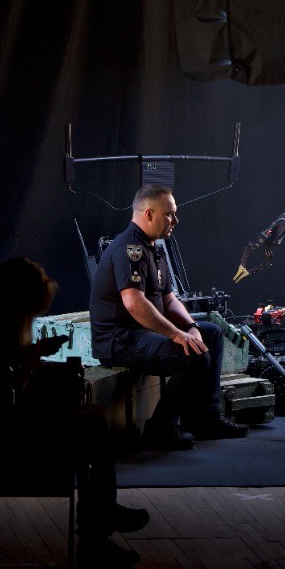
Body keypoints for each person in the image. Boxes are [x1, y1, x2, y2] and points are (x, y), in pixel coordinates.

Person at [0, 256, 148, 569]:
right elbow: (9, 392)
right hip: (3, 438)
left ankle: (100, 523)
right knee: (93, 428)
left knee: (91, 423)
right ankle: (98, 529)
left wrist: (32, 356)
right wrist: (33, 358)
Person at [88, 184, 248, 450]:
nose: (176, 220)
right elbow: (135, 304)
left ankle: (205, 419)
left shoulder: (154, 248)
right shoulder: (129, 249)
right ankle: (161, 429)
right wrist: (176, 334)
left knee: (211, 334)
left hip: (143, 335)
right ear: (149, 214)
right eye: (170, 214)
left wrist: (191, 326)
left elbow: (169, 299)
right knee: (195, 356)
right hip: (120, 340)